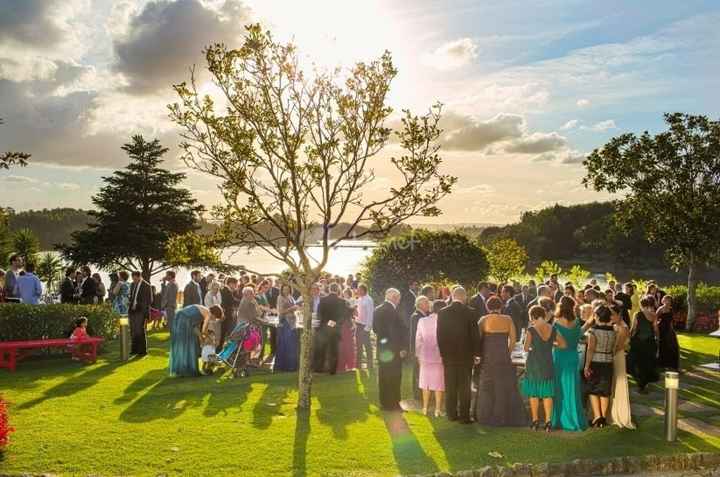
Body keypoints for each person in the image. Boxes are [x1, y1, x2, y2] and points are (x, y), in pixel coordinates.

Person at [474, 296, 526, 426]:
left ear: (487, 307)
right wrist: (507, 353)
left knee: (487, 387)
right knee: (504, 386)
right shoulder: (508, 319)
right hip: (503, 356)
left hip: (488, 357)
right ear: (501, 307)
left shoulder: (483, 320)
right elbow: (513, 341)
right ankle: (504, 416)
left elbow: (477, 340)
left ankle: (485, 416)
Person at [437, 286, 480, 423]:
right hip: (465, 356)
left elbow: (440, 336)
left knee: (450, 386)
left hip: (448, 356)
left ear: (453, 296)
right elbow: (475, 336)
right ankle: (464, 417)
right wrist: (476, 354)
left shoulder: (443, 312)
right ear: (464, 297)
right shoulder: (471, 312)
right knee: (465, 387)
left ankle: (451, 414)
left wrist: (443, 354)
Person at [521, 305, 566, 432]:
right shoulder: (552, 328)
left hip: (534, 363)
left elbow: (525, 348)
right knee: (547, 394)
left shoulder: (531, 329)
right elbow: (563, 345)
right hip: (547, 362)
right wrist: (551, 345)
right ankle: (548, 422)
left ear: (533, 316)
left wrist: (534, 347)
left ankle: (535, 421)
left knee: (533, 393)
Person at [552, 295, 587, 431]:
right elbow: (578, 337)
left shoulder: (556, 323)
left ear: (560, 306)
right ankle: (574, 418)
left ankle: (560, 419)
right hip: (573, 356)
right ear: (572, 307)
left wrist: (553, 344)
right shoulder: (577, 322)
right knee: (573, 388)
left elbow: (559, 343)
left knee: (559, 387)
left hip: (560, 357)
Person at [373, 288, 408, 411]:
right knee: (394, 376)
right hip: (393, 350)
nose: (399, 300)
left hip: (382, 349)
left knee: (383, 376)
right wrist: (401, 348)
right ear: (394, 297)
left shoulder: (377, 309)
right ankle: (394, 404)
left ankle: (384, 403)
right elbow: (396, 332)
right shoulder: (393, 311)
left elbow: (375, 329)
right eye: (398, 298)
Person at [584, 304, 617, 428]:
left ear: (597, 316)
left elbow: (590, 349)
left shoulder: (593, 331)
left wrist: (587, 366)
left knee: (593, 389)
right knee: (604, 390)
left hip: (596, 362)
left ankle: (597, 417)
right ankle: (603, 418)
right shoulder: (614, 330)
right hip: (608, 362)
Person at [169, 305, 221, 377]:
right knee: (190, 344)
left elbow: (194, 327)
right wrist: (210, 339)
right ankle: (189, 369)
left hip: (180, 317)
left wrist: (200, 337)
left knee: (183, 345)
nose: (214, 320)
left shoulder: (203, 309)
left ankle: (182, 369)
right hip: (184, 320)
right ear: (214, 314)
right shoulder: (208, 314)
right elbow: (204, 330)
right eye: (215, 318)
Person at [415, 300, 446, 417]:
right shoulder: (445, 322)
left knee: (425, 383)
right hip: (439, 356)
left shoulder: (422, 321)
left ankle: (424, 408)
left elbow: (418, 340)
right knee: (439, 384)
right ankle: (437, 410)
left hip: (425, 356)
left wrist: (418, 355)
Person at [608, 303, 635, 429]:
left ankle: (619, 414)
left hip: (618, 357)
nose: (611, 317)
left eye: (612, 315)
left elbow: (618, 346)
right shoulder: (614, 325)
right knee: (612, 385)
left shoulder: (623, 327)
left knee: (618, 384)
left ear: (619, 314)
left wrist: (608, 355)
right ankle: (611, 412)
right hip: (614, 356)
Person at [315, 283, 351, 374]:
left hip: (323, 328)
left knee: (322, 349)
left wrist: (326, 323)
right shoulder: (342, 301)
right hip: (335, 328)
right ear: (338, 289)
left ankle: (319, 369)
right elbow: (344, 316)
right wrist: (336, 323)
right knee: (334, 350)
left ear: (329, 289)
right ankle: (332, 370)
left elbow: (319, 314)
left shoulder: (323, 300)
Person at [628, 296, 660, 393]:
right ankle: (643, 383)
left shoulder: (637, 314)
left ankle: (640, 383)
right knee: (646, 364)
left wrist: (628, 337)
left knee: (633, 363)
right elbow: (656, 330)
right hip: (649, 342)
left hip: (638, 342)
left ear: (642, 305)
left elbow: (633, 329)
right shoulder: (654, 315)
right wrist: (657, 340)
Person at [410, 295, 431, 399]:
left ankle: (422, 393)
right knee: (418, 372)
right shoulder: (416, 316)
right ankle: (418, 395)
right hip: (418, 350)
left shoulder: (424, 315)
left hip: (423, 350)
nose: (429, 304)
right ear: (420, 304)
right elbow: (415, 336)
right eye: (426, 302)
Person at [275, 284, 299, 372]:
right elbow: (281, 312)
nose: (286, 291)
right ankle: (285, 366)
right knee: (286, 345)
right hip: (285, 322)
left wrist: (296, 308)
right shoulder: (280, 298)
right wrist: (292, 308)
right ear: (281, 290)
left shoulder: (290, 297)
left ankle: (292, 366)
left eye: (288, 289)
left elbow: (294, 307)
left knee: (292, 345)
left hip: (292, 323)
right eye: (284, 289)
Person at [128, 271, 152, 357]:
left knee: (140, 330)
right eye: (132, 278)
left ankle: (142, 351)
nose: (133, 280)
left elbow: (149, 300)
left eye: (135, 278)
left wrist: (145, 313)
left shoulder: (146, 286)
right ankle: (134, 349)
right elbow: (131, 296)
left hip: (141, 312)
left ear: (139, 277)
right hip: (132, 311)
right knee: (133, 331)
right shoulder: (132, 285)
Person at [336, 287, 357, 373]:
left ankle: (342, 366)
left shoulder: (341, 303)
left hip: (342, 327)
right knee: (347, 346)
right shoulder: (345, 302)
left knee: (342, 347)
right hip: (345, 326)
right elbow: (353, 313)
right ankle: (349, 366)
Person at [657, 295, 680, 371]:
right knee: (664, 346)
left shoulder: (671, 309)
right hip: (662, 328)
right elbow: (655, 319)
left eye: (669, 300)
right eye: (666, 300)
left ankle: (673, 365)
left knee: (674, 346)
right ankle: (663, 365)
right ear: (663, 301)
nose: (668, 302)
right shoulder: (660, 309)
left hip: (669, 329)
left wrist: (672, 330)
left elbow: (671, 321)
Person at [354, 284, 374, 369]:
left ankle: (370, 365)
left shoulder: (369, 300)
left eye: (358, 290)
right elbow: (359, 312)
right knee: (358, 345)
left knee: (367, 346)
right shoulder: (359, 299)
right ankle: (358, 365)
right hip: (358, 324)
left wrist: (367, 327)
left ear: (363, 290)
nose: (357, 291)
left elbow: (370, 314)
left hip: (364, 326)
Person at [219, 277, 240, 349]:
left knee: (224, 333)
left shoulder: (228, 290)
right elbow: (232, 301)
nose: (236, 286)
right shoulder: (225, 290)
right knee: (224, 333)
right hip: (226, 315)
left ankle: (221, 348)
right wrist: (242, 302)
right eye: (235, 284)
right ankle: (220, 349)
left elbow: (233, 300)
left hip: (227, 315)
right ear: (231, 283)